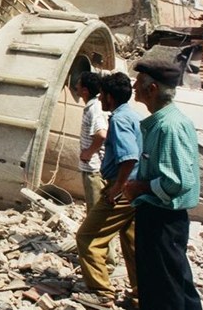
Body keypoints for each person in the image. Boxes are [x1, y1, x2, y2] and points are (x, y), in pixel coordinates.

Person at [124, 59, 202, 310]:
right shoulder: (164, 122)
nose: (134, 87)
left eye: (138, 82)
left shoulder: (169, 127)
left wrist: (140, 187)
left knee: (163, 290)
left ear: (152, 88)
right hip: (163, 219)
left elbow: (178, 181)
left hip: (162, 220)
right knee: (175, 283)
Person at [74, 72, 141, 309]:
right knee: (132, 244)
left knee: (87, 237)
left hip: (122, 190)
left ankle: (101, 293)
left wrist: (117, 188)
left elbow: (129, 157)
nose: (100, 97)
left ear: (110, 97)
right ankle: (139, 295)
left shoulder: (120, 120)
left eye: (103, 94)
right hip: (135, 191)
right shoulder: (132, 116)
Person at [76, 71, 118, 268]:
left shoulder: (94, 108)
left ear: (84, 89)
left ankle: (105, 259)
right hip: (93, 167)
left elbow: (101, 134)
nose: (75, 88)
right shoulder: (93, 106)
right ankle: (102, 254)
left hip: (93, 169)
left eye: (78, 85)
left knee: (96, 214)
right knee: (95, 213)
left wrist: (88, 153)